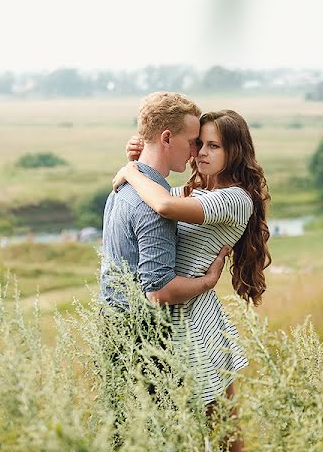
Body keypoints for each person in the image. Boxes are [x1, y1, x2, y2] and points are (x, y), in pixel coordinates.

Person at [115, 109, 271, 452]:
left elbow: (164, 207)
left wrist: (130, 172)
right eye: (199, 143)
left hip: (197, 324)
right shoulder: (194, 190)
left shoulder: (235, 199)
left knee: (224, 430)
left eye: (213, 146)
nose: (201, 152)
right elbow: (154, 195)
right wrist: (140, 160)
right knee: (186, 430)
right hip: (178, 316)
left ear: (235, 151)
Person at [98, 92, 232, 446]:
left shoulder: (122, 188)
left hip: (110, 324)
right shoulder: (151, 204)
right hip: (142, 335)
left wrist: (132, 161)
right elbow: (158, 291)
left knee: (121, 431)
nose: (195, 153)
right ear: (167, 138)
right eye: (192, 142)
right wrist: (207, 281)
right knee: (159, 436)